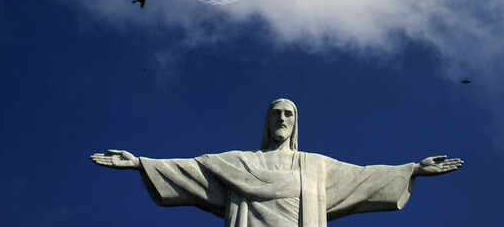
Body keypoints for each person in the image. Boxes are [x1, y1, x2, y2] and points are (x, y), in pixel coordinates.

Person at [91, 98, 463, 226]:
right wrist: (140, 163)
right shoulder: (237, 162)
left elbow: (363, 178)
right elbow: (192, 170)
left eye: (288, 115)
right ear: (267, 123)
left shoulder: (316, 166)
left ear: (295, 122)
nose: (282, 119)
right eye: (276, 114)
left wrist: (412, 168)